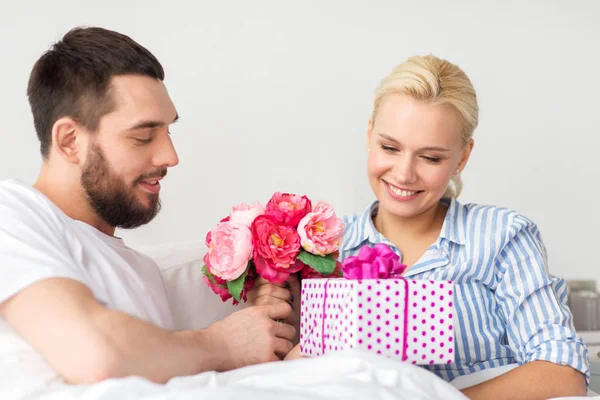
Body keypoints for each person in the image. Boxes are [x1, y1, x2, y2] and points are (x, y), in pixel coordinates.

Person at [249, 54, 589, 399]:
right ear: (369, 135)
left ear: (463, 157)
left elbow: (563, 372)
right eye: (389, 147)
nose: (404, 174)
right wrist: (272, 318)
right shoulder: (324, 248)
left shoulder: (503, 235)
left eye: (430, 157)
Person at [0, 26, 295, 387]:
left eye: (168, 131)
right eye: (143, 136)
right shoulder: (12, 212)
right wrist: (222, 343)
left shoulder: (141, 271)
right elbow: (95, 354)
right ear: (69, 140)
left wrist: (261, 332)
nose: (170, 156)